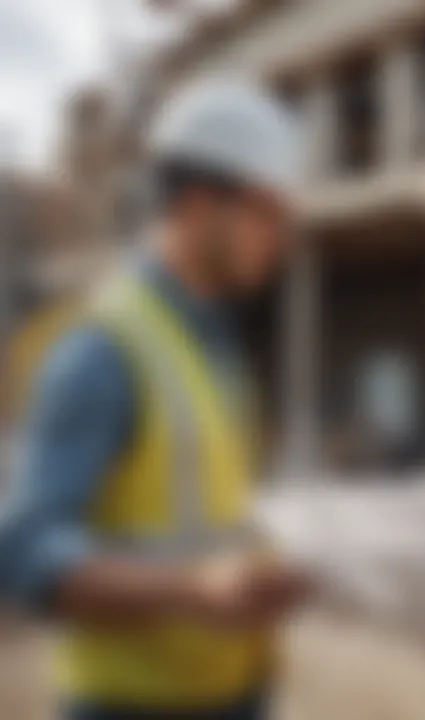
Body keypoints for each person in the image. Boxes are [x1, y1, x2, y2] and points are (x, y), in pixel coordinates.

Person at [0, 80, 309, 719]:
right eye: (266, 210)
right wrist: (193, 591)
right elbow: (25, 549)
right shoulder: (101, 350)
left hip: (231, 692)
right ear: (198, 204)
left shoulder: (215, 348)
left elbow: (213, 517)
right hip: (131, 705)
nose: (279, 236)